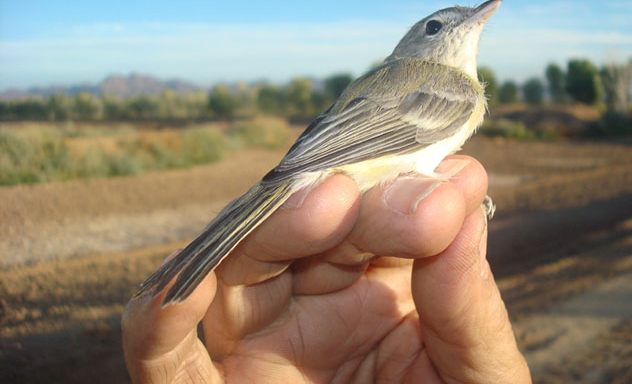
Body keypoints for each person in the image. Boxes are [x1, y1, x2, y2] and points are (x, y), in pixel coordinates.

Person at [122, 155, 531, 383]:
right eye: (437, 26)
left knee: (418, 210)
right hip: (342, 161)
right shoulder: (460, 89)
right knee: (407, 210)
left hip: (337, 167)